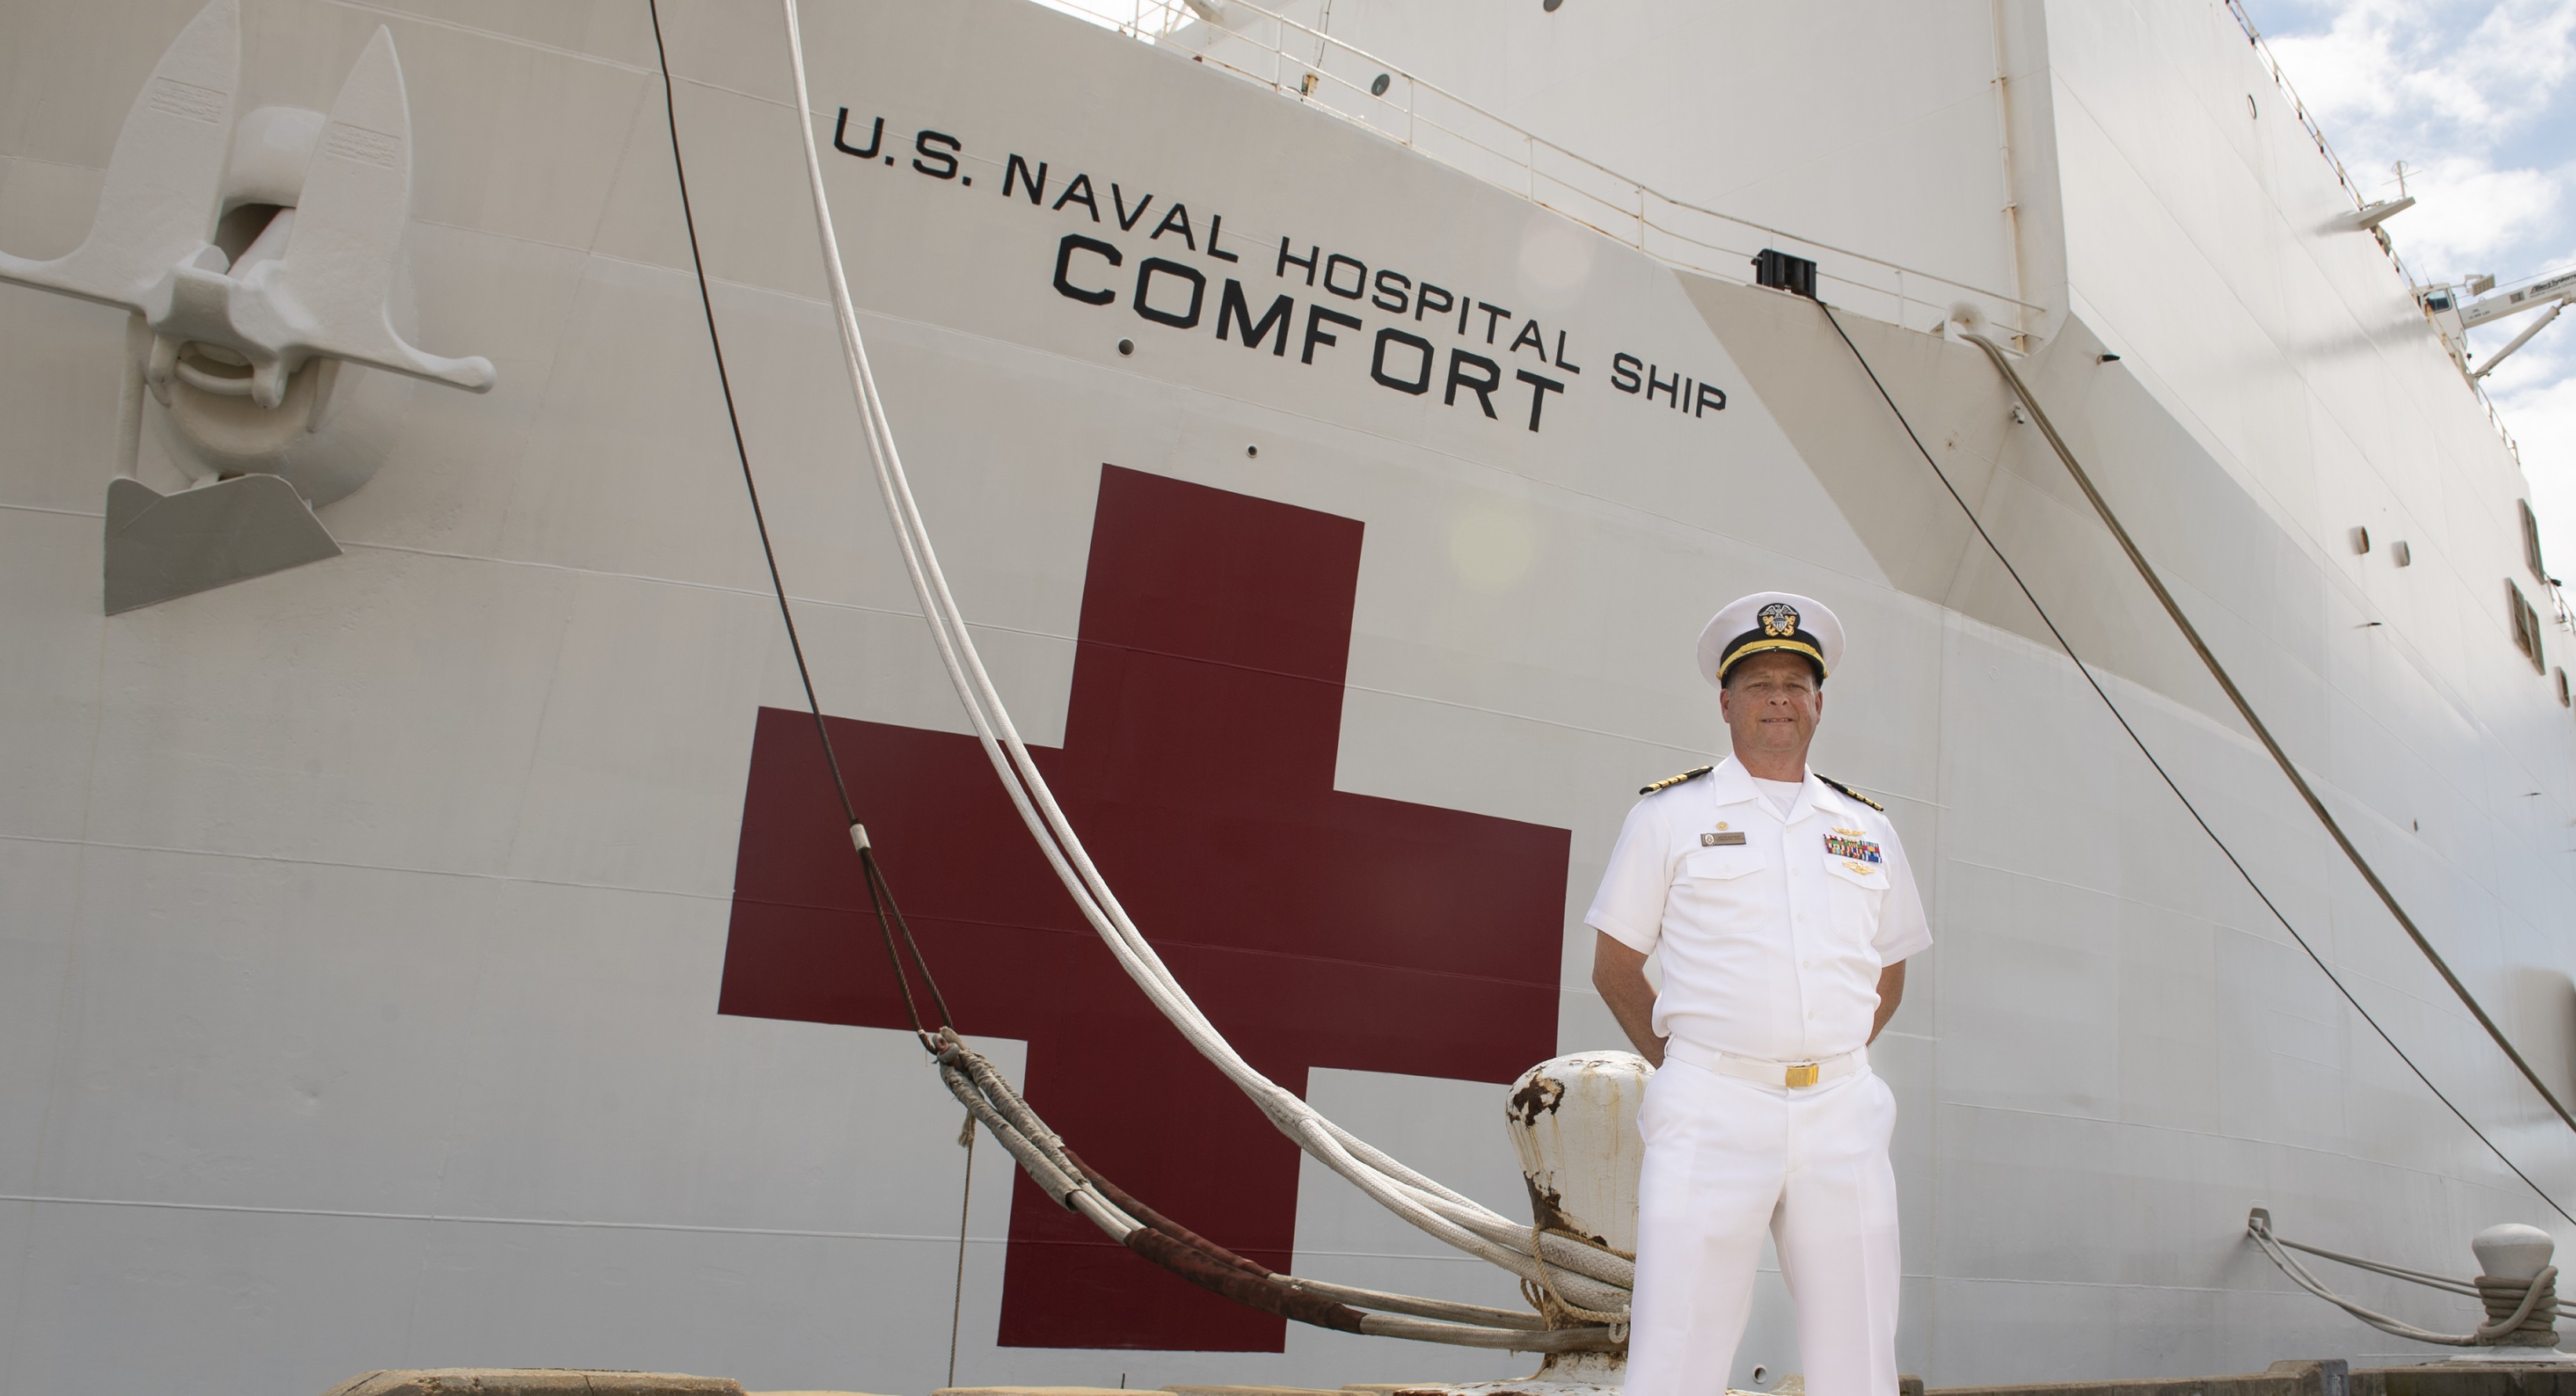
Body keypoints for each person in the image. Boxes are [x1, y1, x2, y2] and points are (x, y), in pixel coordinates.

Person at [1585, 591, 1931, 1396]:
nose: (1778, 696)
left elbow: (1891, 966)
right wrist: (1693, 1065)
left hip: (1840, 1109)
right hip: (1712, 1106)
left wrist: (1818, 1052)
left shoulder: (1866, 827)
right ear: (1725, 702)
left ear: (1817, 701)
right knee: (1677, 1347)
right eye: (1758, 682)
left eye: (1794, 682)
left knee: (1859, 1351)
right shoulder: (1670, 815)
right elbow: (1614, 963)